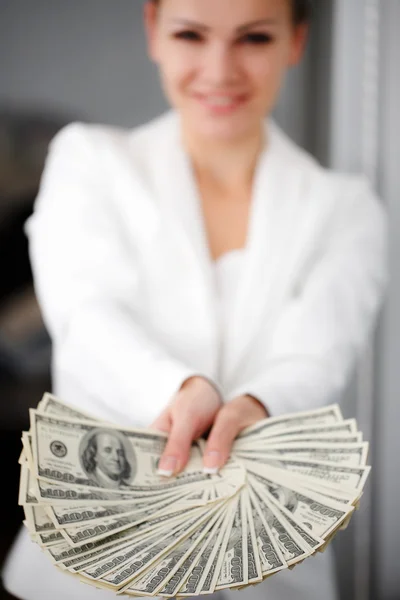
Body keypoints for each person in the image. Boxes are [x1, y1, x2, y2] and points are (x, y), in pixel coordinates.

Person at [2, 0, 387, 598]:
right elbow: (86, 311)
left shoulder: (346, 208)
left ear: (296, 42)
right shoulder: (89, 161)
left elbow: (320, 350)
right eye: (191, 34)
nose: (219, 69)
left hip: (268, 574)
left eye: (253, 38)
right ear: (154, 30)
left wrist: (255, 402)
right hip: (92, 568)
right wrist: (180, 391)